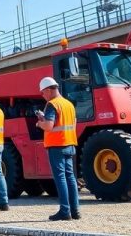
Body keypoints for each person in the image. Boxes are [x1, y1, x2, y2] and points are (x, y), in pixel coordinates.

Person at [36, 77, 80, 221]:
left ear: (49, 90)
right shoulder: (68, 104)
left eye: (43, 92)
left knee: (60, 177)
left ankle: (64, 211)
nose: (43, 95)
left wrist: (39, 124)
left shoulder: (52, 105)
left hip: (56, 145)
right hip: (70, 144)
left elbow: (49, 126)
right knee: (70, 177)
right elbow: (72, 125)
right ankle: (75, 211)